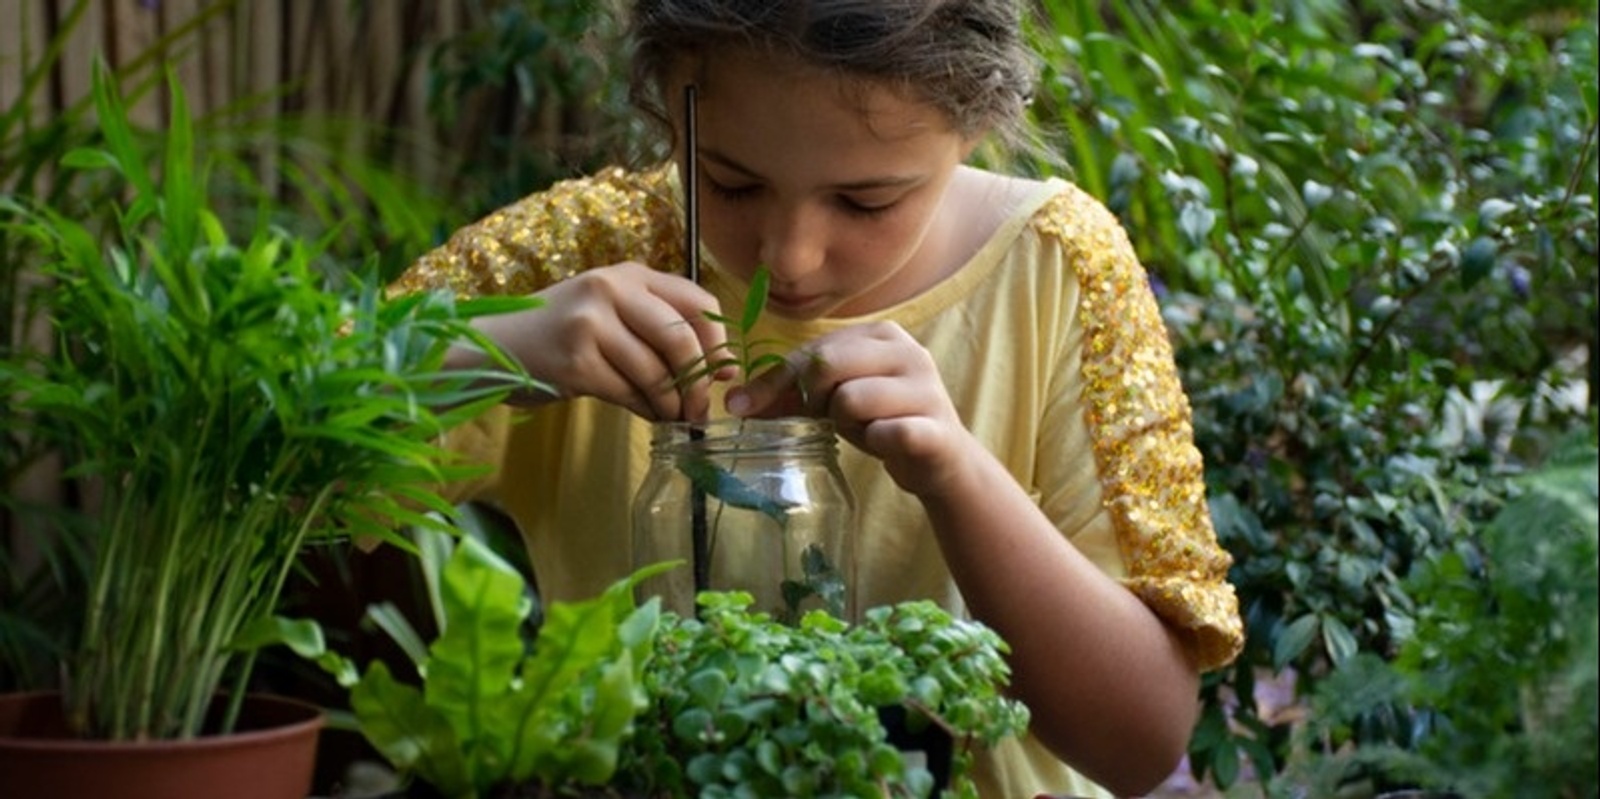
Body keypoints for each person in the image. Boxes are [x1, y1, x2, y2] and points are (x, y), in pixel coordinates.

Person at [391, 1, 1243, 796]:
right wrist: (493, 349)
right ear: (663, 99)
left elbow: (1140, 741)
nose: (788, 257)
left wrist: (958, 473)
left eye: (866, 200)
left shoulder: (1054, 269)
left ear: (977, 121)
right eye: (728, 184)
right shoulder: (584, 257)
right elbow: (275, 461)